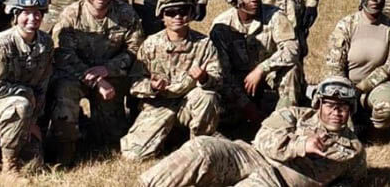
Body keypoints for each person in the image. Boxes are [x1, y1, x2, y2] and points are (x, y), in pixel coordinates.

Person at [138, 76, 366, 187]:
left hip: (278, 181)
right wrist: (300, 145)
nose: (337, 112)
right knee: (202, 148)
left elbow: (351, 181)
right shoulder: (294, 114)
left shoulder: (353, 149)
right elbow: (263, 138)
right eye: (331, 105)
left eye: (344, 107)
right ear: (318, 104)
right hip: (249, 155)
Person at [48, 0, 143, 164]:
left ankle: (94, 129)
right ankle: (66, 150)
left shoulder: (126, 14)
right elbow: (64, 55)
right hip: (77, 77)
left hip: (111, 78)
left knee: (109, 139)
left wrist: (108, 69)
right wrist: (97, 80)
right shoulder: (71, 15)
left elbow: (135, 50)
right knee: (64, 96)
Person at [120, 0, 222, 161]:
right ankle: (171, 138)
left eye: (183, 11)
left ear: (191, 14)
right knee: (133, 155)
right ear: (162, 16)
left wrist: (205, 78)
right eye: (171, 12)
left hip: (189, 105)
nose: (177, 17)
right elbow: (135, 82)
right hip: (159, 105)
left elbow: (218, 81)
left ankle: (200, 146)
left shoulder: (204, 44)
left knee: (206, 96)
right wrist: (151, 87)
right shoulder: (150, 44)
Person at [209, 0, 302, 127]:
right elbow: (223, 72)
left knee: (291, 69)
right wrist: (246, 106)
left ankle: (282, 124)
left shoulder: (275, 16)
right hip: (236, 83)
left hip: (267, 76)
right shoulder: (221, 26)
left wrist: (261, 69)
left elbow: (292, 49)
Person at [0, 0, 55, 184]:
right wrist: (26, 95)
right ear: (14, 15)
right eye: (26, 13)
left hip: (27, 112)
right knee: (19, 104)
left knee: (35, 164)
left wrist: (34, 120)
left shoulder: (45, 43)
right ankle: (9, 167)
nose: (33, 19)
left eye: (38, 13)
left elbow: (43, 85)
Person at [324, 0, 390, 134]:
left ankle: (370, 126)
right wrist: (345, 92)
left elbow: (389, 66)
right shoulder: (346, 25)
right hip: (344, 85)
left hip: (373, 87)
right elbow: (335, 68)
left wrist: (360, 89)